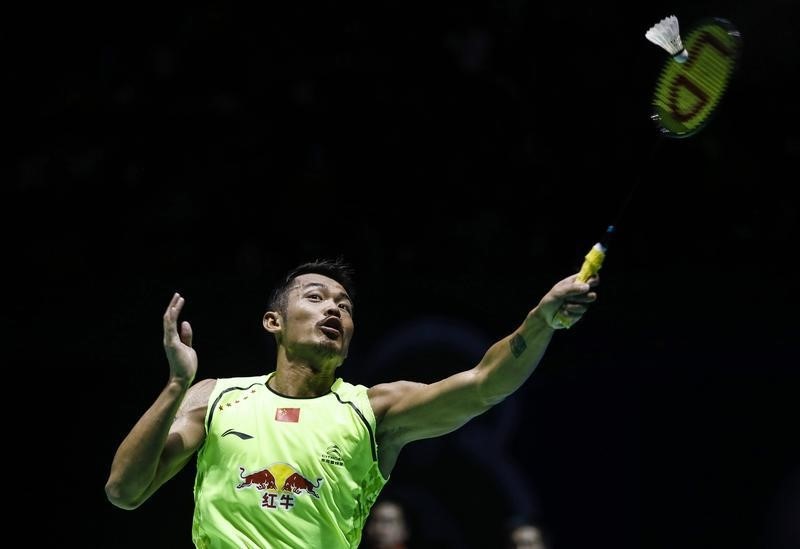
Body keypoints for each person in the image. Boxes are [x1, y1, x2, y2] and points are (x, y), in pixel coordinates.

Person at [105, 258, 598, 548]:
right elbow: (125, 491)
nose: (334, 310)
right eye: (316, 298)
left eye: (344, 305)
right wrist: (176, 385)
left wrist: (540, 321)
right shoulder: (216, 396)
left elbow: (485, 384)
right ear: (273, 322)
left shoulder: (374, 411)